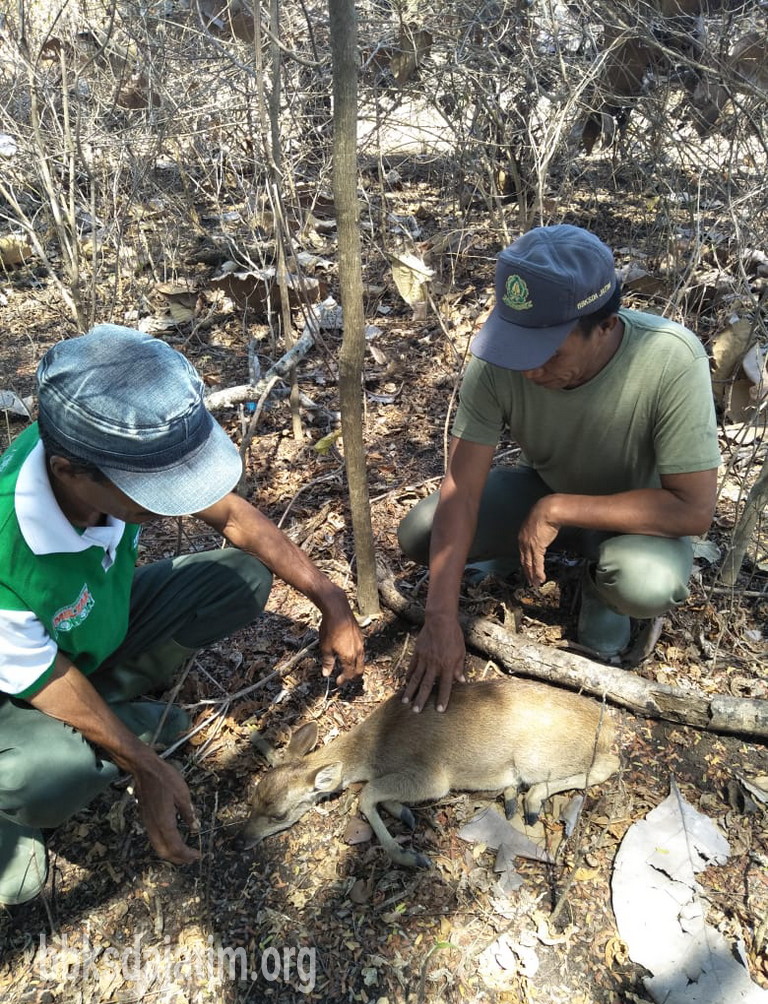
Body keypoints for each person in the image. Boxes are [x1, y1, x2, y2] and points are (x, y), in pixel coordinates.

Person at [0, 325, 364, 905]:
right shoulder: (7, 545)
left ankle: (110, 711)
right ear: (72, 472)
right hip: (18, 688)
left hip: (83, 633)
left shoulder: (90, 454)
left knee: (237, 579)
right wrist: (144, 764)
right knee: (43, 776)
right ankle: (35, 789)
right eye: (152, 490)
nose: (173, 504)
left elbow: (234, 518)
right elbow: (41, 675)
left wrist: (333, 601)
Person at [398, 224, 720, 713]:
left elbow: (694, 511)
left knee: (646, 582)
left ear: (606, 325)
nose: (528, 370)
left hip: (640, 521)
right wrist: (440, 616)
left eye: (548, 352)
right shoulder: (500, 363)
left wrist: (556, 509)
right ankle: (537, 556)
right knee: (422, 533)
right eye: (517, 346)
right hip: (546, 487)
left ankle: (597, 584)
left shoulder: (670, 359)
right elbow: (461, 489)